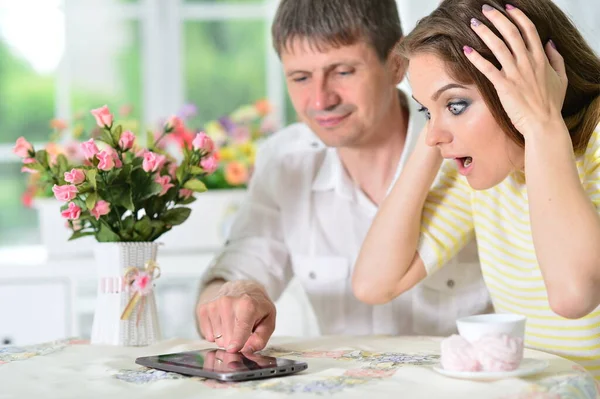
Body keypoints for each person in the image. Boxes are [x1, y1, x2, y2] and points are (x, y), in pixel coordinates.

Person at [195, 0, 492, 355]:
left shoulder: (469, 151)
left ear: (397, 63)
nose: (320, 99)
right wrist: (230, 299)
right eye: (301, 77)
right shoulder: (286, 162)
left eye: (343, 71)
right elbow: (234, 270)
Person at [353, 0, 600, 378]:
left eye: (456, 104)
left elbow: (573, 295)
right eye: (424, 111)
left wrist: (542, 123)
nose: (433, 134)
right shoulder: (487, 174)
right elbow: (375, 283)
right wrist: (438, 121)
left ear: (528, 82)